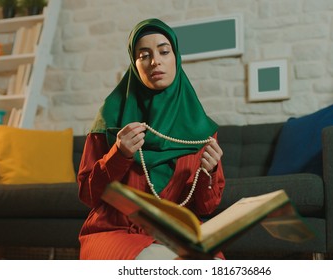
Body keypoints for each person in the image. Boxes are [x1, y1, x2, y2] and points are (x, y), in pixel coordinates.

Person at [77, 18, 226, 260]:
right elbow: (88, 195)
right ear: (134, 64)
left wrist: (208, 171)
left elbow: (206, 207)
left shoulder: (201, 130)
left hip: (179, 234)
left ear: (176, 57)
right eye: (143, 55)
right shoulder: (110, 121)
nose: (155, 61)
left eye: (164, 51)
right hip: (116, 231)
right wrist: (119, 154)